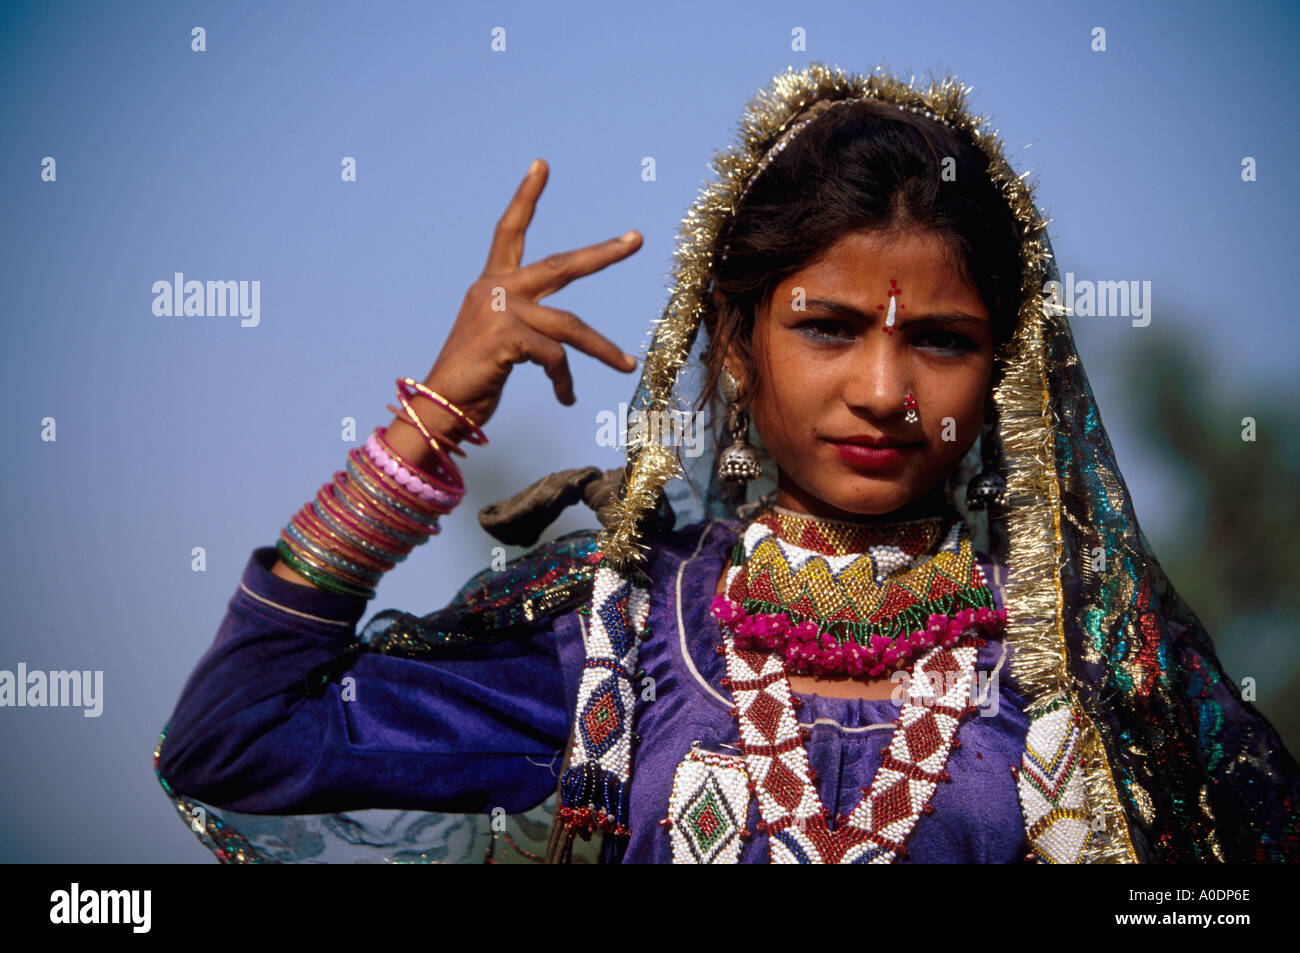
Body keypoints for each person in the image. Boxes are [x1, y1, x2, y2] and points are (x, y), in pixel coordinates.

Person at [153, 61, 1300, 864]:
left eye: (941, 341)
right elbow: (235, 739)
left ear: (1000, 368)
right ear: (735, 347)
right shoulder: (616, 643)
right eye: (828, 325)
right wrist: (434, 415)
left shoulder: (1085, 674)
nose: (885, 391)